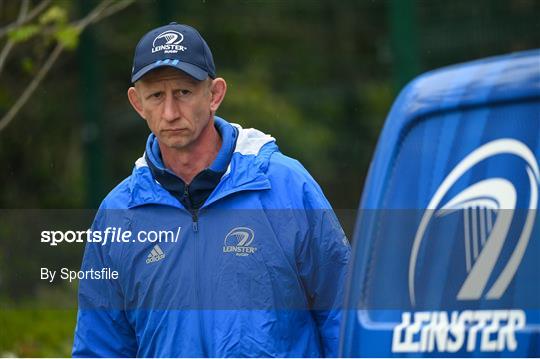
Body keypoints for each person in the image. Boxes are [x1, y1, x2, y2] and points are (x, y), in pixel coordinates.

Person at [72, 22, 350, 358]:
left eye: (184, 93)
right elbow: (100, 348)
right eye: (157, 96)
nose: (171, 112)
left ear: (214, 94)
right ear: (137, 103)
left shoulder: (286, 186)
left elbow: (344, 316)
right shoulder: (118, 215)